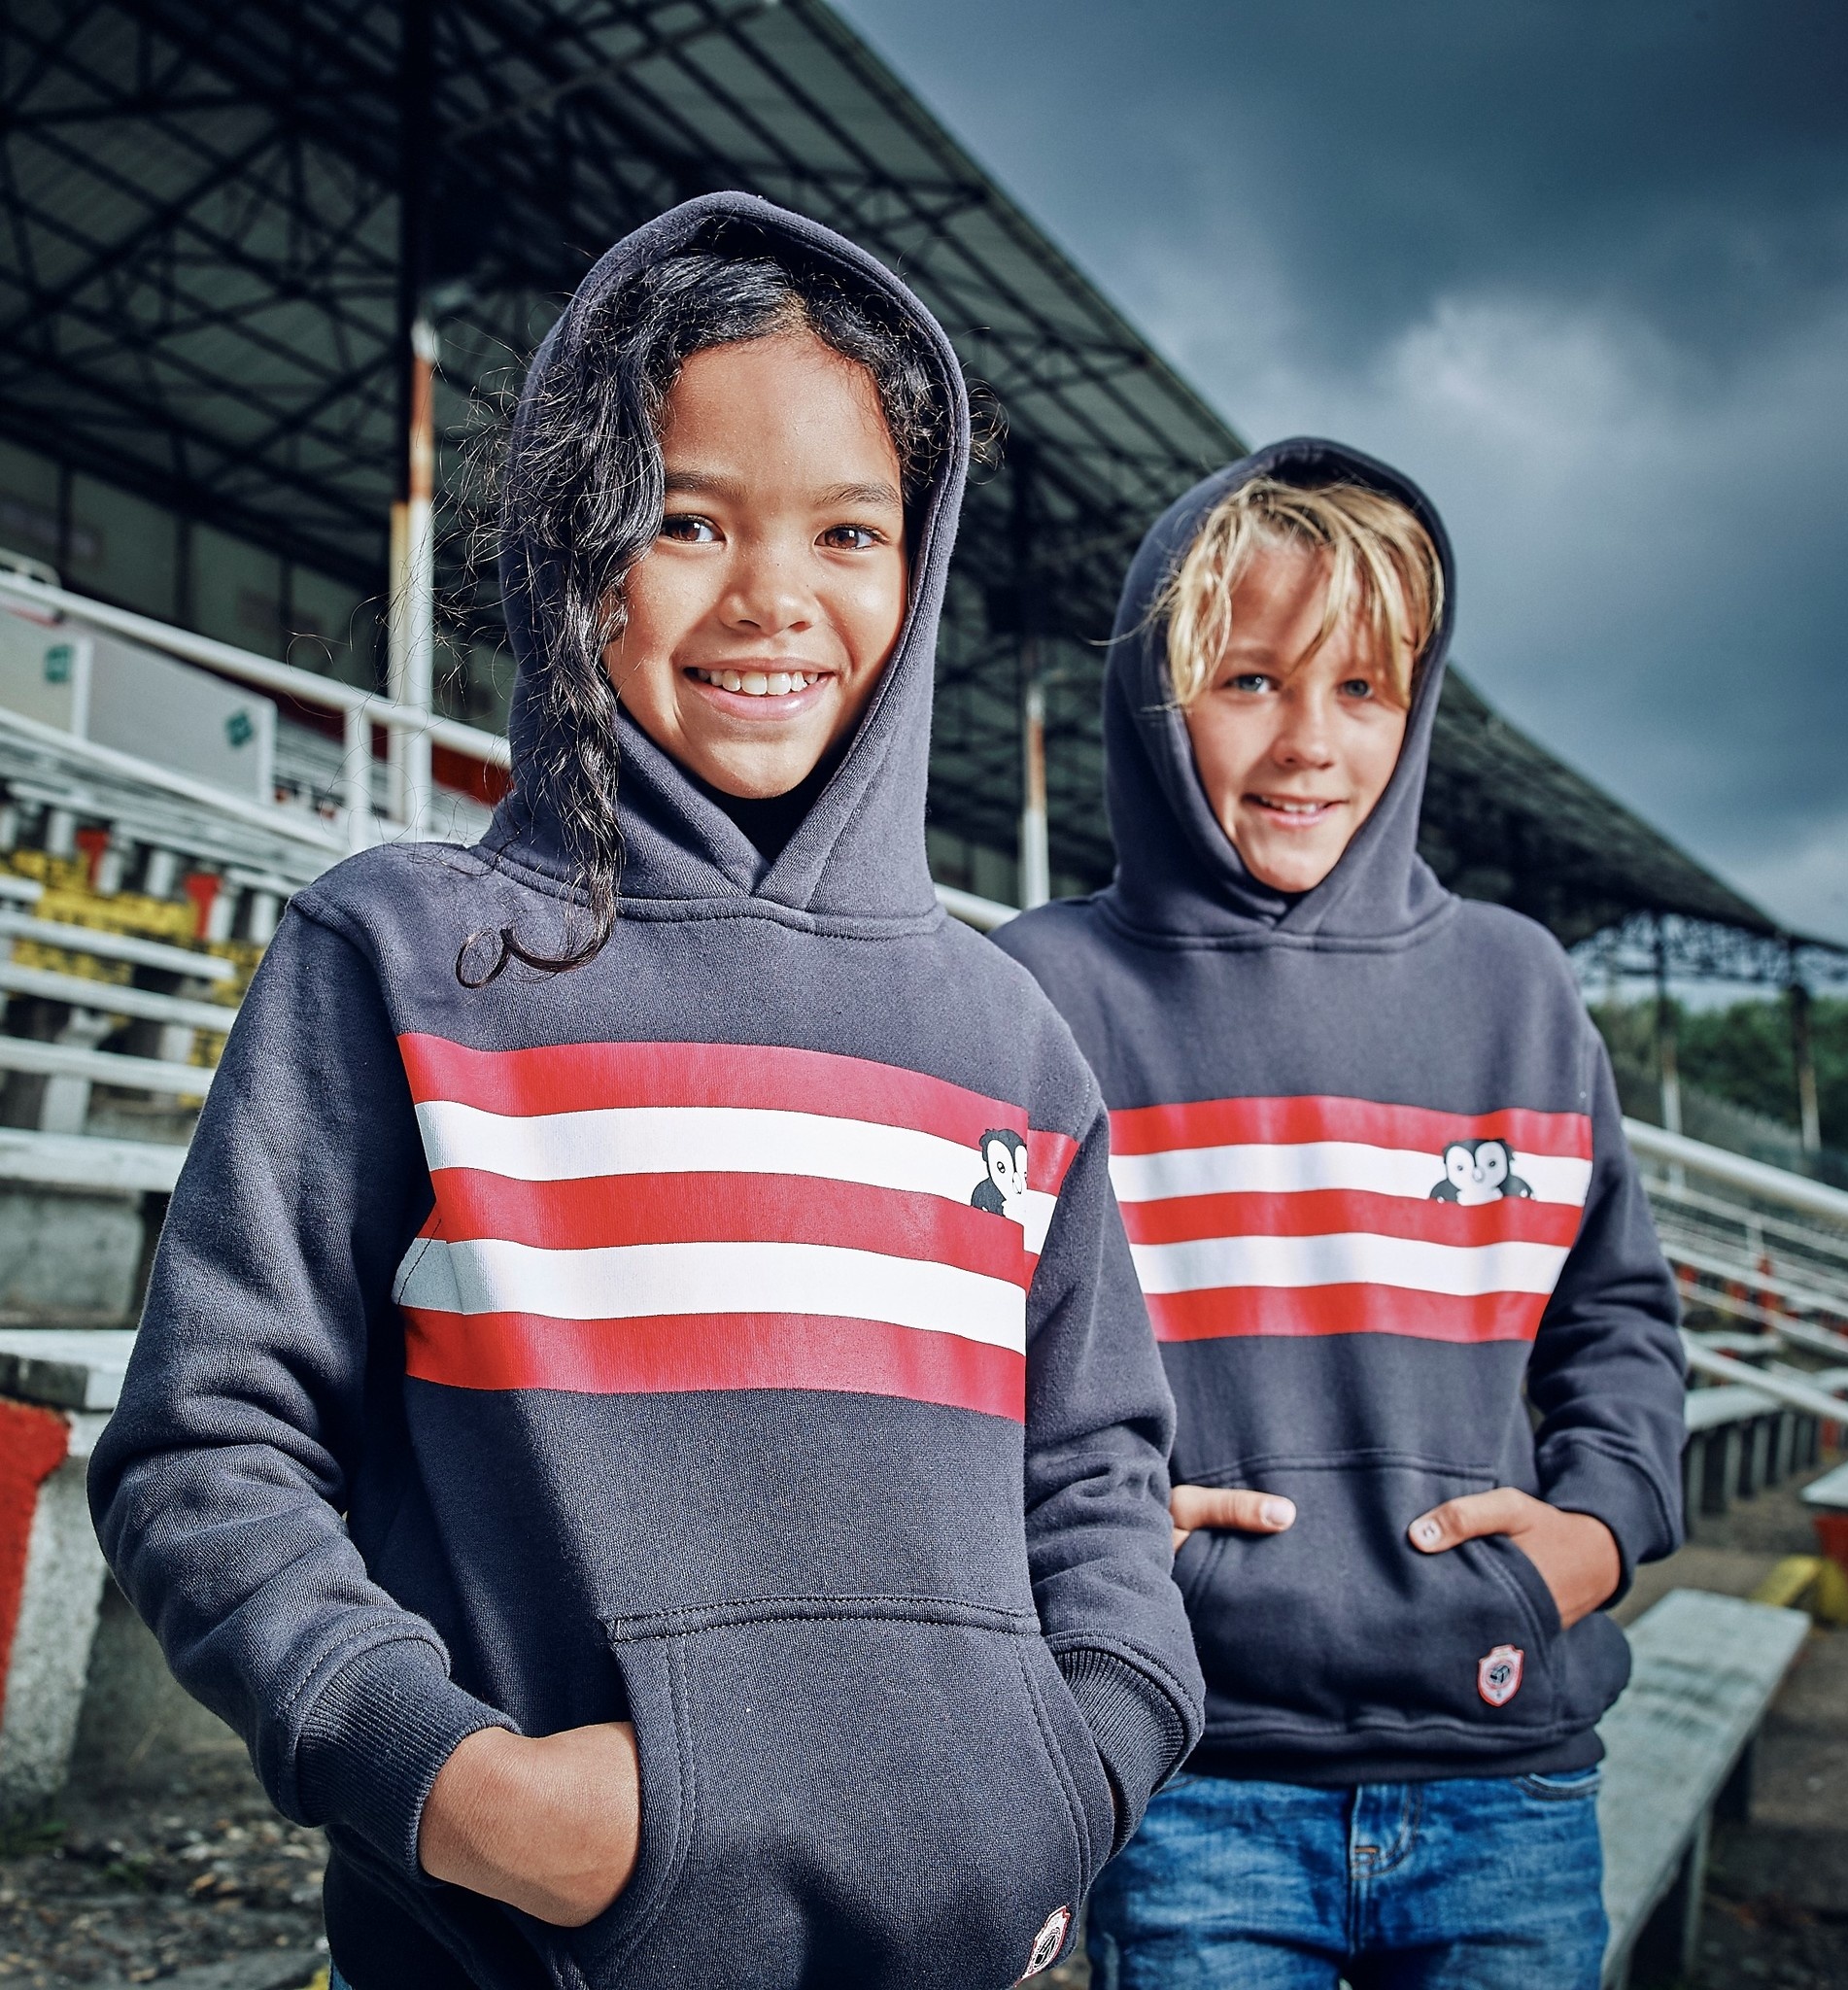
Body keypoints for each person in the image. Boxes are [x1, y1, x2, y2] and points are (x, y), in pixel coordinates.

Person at [88, 193, 1201, 1990]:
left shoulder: (1008, 1035)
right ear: (575, 539)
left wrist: (1072, 1779)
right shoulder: (404, 958)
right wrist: (462, 1794)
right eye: (689, 520)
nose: (774, 597)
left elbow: (1096, 1479)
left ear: (918, 567)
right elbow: (207, 1449)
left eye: (850, 530)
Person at [993, 442, 1687, 1989]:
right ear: (1160, 699)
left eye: (1363, 689)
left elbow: (1619, 1318)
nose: (1310, 743)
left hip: (1505, 1780)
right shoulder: (1042, 995)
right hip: (1196, 1785)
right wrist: (1107, 1558)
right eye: (1250, 681)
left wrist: (1592, 1536)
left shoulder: (1516, 986)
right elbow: (975, 1355)